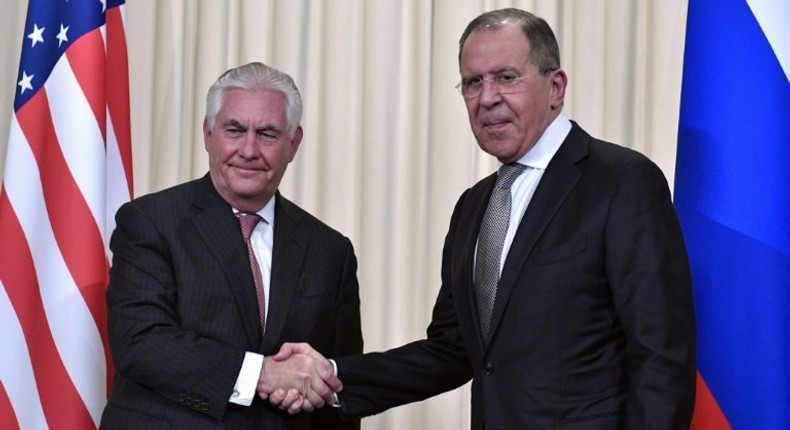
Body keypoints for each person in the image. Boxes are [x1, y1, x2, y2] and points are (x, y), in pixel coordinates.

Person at [270, 8, 696, 429]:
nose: (487, 97)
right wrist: (332, 374)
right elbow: (454, 350)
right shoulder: (474, 207)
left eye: (506, 77)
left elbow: (660, 355)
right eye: (473, 82)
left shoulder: (621, 181)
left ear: (556, 86)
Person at [99, 62, 363, 430]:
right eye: (234, 130)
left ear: (294, 143)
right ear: (208, 134)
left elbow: (338, 386)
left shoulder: (331, 250)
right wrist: (263, 374)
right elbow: (142, 342)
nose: (249, 149)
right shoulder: (151, 221)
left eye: (268, 133)